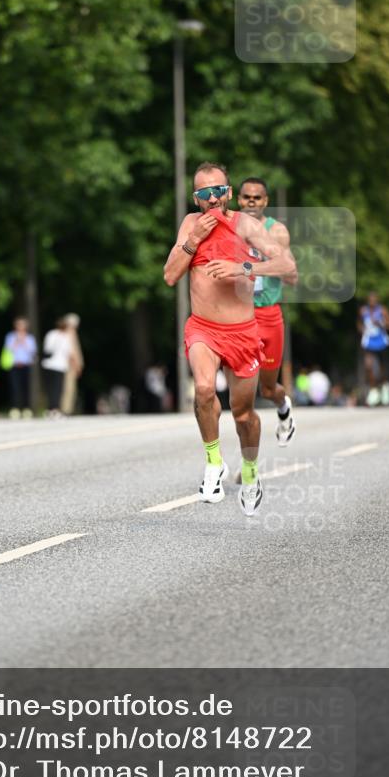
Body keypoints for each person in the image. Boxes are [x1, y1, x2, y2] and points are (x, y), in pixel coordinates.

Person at [164, 163, 296, 515]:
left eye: (218, 191)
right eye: (204, 193)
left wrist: (245, 268)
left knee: (243, 415)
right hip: (203, 328)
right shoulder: (191, 224)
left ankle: (250, 471)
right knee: (204, 390)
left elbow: (286, 267)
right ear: (196, 197)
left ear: (228, 192)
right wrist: (193, 241)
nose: (212, 199)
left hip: (243, 332)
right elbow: (169, 275)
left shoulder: (247, 226)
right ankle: (213, 463)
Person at [238, 177, 297, 445]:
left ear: (266, 202)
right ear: (238, 200)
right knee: (244, 390)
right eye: (246, 197)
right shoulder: (230, 228)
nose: (251, 201)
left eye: (257, 198)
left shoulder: (277, 231)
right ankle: (249, 457)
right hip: (240, 317)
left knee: (268, 388)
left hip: (269, 315)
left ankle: (283, 408)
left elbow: (291, 274)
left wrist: (254, 265)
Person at [358, 292, 389, 406]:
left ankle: (384, 386)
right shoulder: (363, 311)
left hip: (381, 342)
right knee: (368, 366)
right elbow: (358, 322)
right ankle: (373, 389)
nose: (372, 302)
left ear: (377, 301)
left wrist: (381, 323)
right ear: (367, 300)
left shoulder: (383, 310)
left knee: (383, 368)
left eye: (374, 300)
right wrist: (361, 329)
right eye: (370, 300)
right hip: (369, 342)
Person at [2, 317, 37, 418]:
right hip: (14, 365)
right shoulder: (10, 336)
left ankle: (26, 409)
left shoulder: (30, 338)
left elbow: (32, 351)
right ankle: (15, 408)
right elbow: (9, 349)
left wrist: (24, 341)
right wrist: (17, 340)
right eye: (19, 325)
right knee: (15, 387)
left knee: (26, 388)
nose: (20, 327)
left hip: (26, 365)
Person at [41, 317, 74, 418]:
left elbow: (47, 348)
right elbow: (68, 352)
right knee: (58, 389)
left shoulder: (50, 334)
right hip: (60, 365)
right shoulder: (66, 337)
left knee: (50, 388)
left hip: (48, 364)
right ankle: (55, 409)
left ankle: (50, 408)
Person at [60, 313, 84, 415]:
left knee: (67, 387)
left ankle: (66, 408)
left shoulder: (64, 333)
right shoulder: (70, 333)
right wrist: (77, 364)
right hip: (70, 364)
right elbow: (72, 351)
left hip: (67, 364)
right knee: (69, 387)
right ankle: (66, 409)